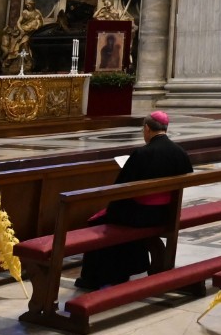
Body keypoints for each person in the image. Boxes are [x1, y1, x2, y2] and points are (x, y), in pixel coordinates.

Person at [77, 111, 192, 290]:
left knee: (101, 223)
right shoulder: (180, 153)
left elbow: (120, 188)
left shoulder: (142, 154)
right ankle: (132, 266)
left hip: (143, 216)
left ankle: (99, 277)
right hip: (167, 213)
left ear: (147, 128)